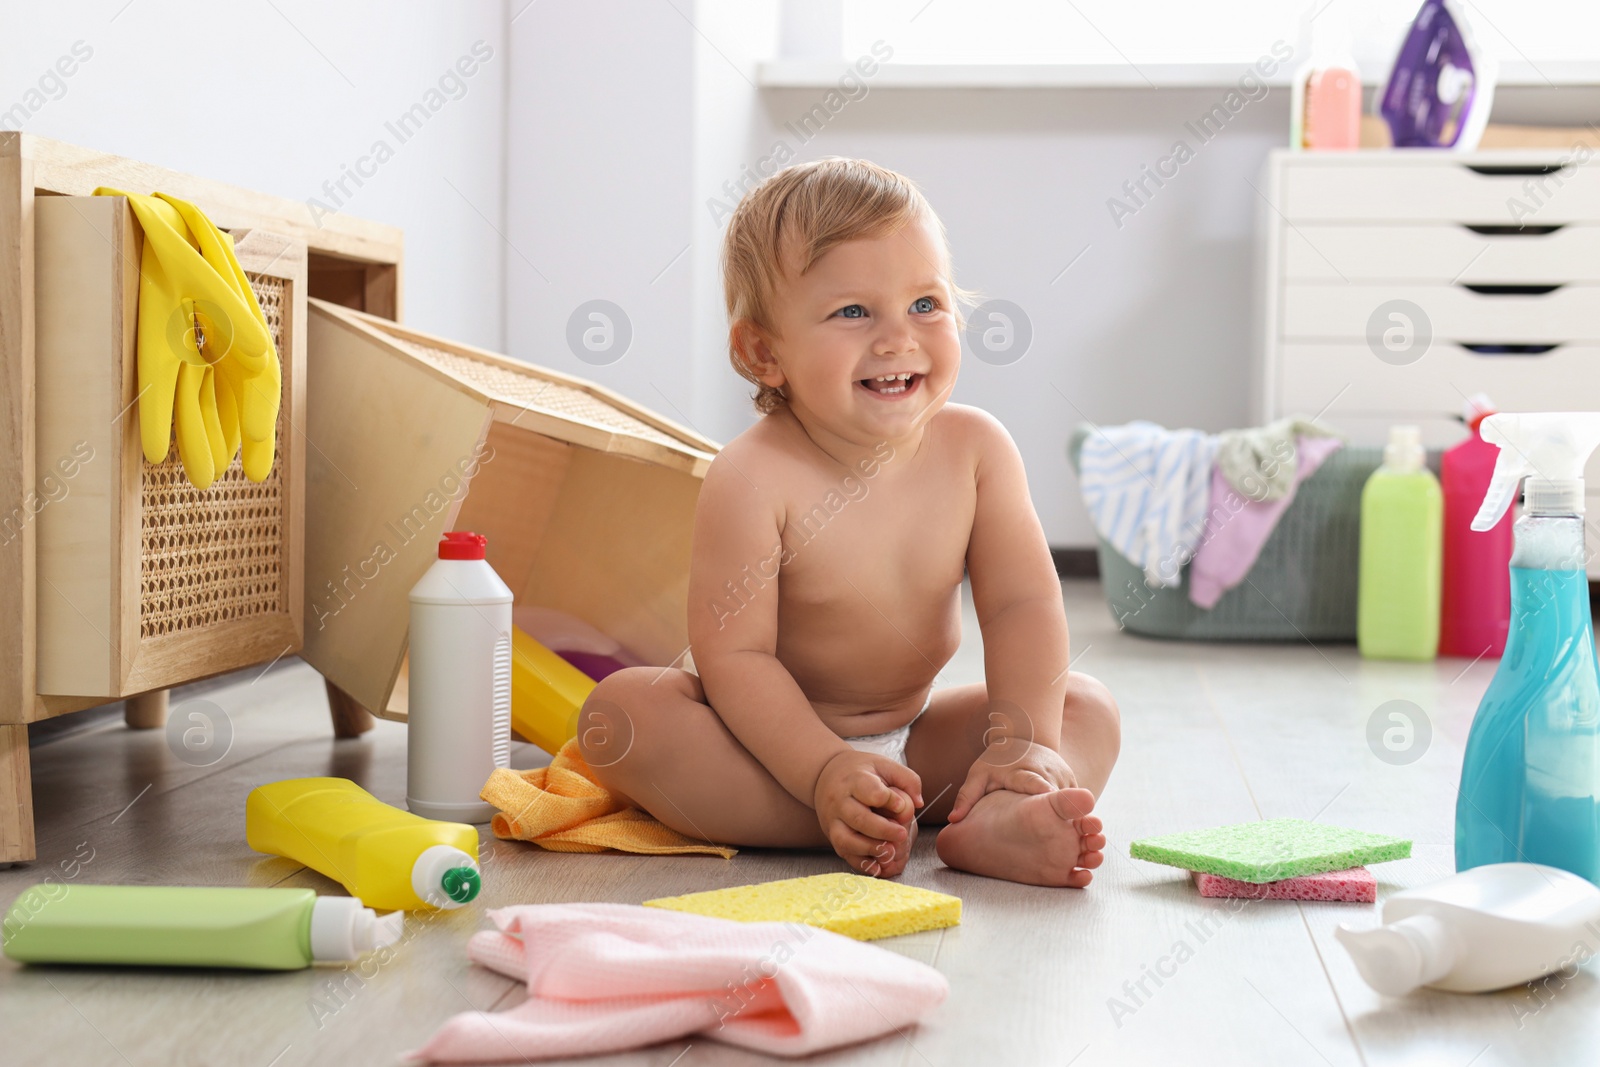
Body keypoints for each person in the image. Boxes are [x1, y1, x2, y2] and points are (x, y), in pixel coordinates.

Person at [580, 158, 1120, 886]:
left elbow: (1022, 604)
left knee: (1086, 706)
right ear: (763, 352)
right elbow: (735, 659)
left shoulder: (975, 450)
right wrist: (824, 769)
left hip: (920, 746)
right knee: (622, 717)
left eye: (926, 304)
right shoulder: (751, 477)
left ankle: (993, 811)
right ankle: (846, 815)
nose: (899, 338)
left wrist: (1021, 748)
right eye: (853, 312)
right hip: (766, 751)